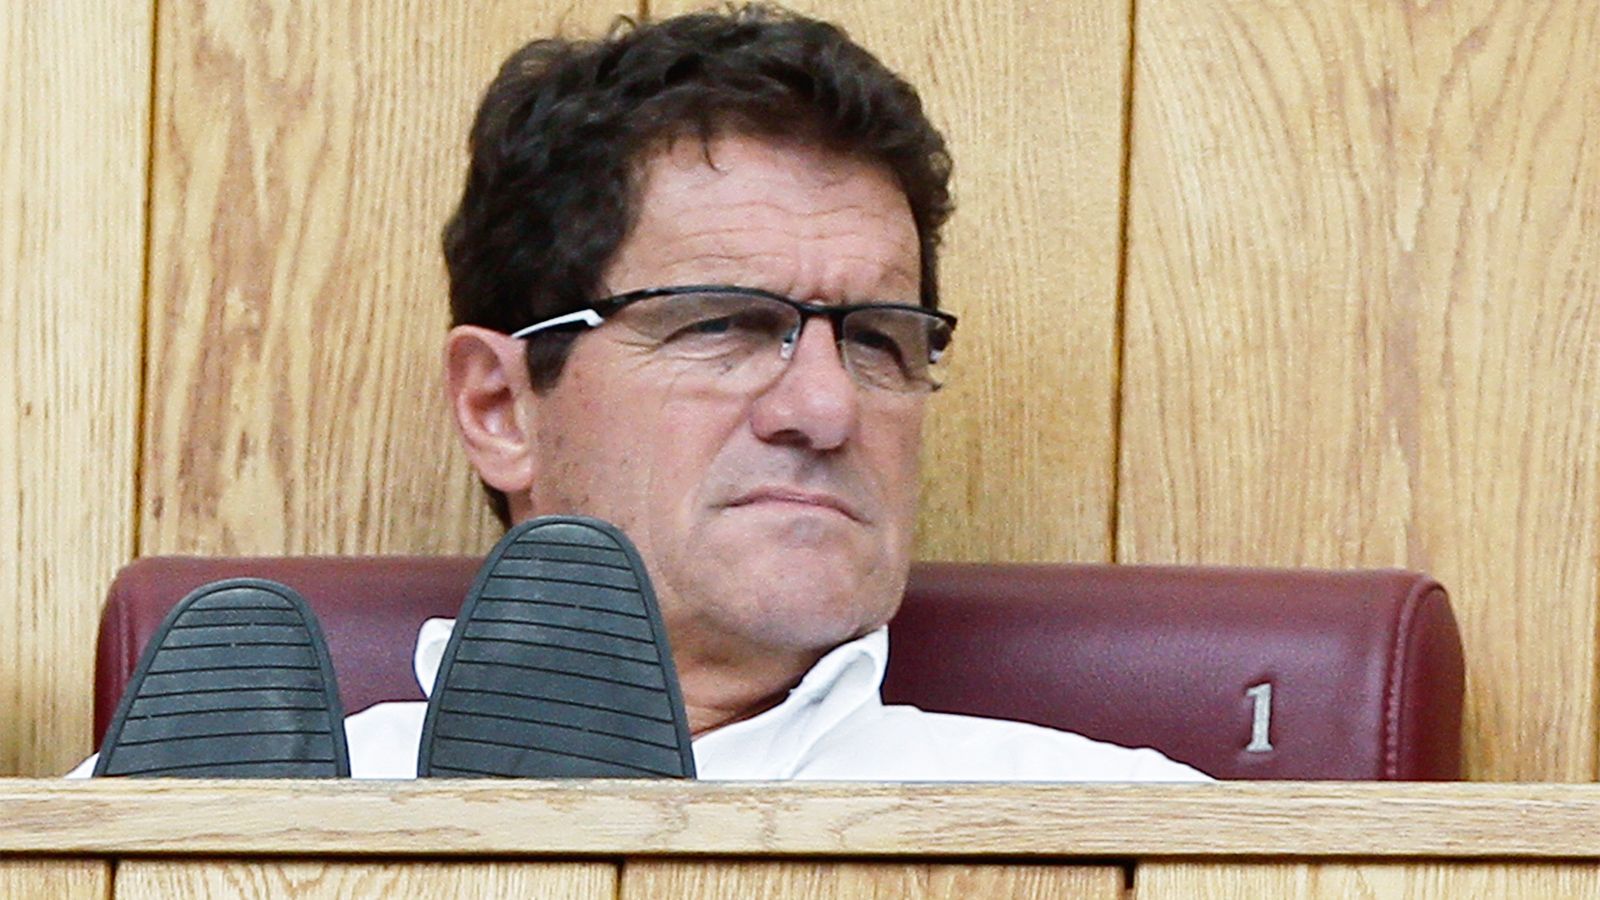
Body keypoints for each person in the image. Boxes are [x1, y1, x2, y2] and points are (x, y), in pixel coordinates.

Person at [73, 4, 1206, 781]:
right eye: (722, 324)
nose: (825, 410)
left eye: (877, 340)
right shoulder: (181, 814)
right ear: (500, 409)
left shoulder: (1135, 836)